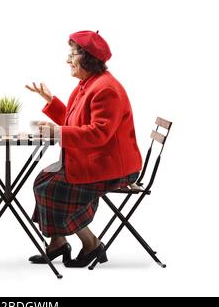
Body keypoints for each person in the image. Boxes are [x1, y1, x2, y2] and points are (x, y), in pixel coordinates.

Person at [25, 30, 142, 267]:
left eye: (72, 55)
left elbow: (98, 133)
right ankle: (57, 243)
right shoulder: (88, 84)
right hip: (99, 159)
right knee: (43, 180)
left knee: (53, 187)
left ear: (87, 58)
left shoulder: (106, 89)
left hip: (113, 166)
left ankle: (92, 245)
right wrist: (51, 101)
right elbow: (76, 121)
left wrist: (57, 133)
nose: (67, 60)